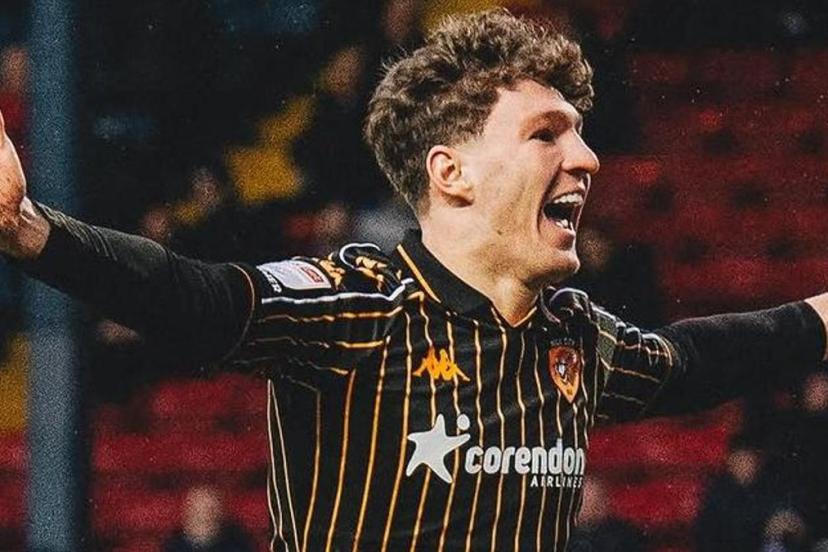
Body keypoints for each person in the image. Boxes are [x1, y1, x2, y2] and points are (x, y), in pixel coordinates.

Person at [1, 9, 827, 552]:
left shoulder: (574, 337)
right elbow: (200, 296)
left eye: (580, 133)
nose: (586, 157)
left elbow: (700, 359)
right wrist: (33, 230)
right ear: (451, 172)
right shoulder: (355, 305)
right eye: (547, 134)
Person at [163, 485, 255, 552]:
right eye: (197, 509)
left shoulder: (238, 542)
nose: (203, 515)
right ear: (186, 512)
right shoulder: (173, 545)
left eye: (209, 509)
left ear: (219, 512)